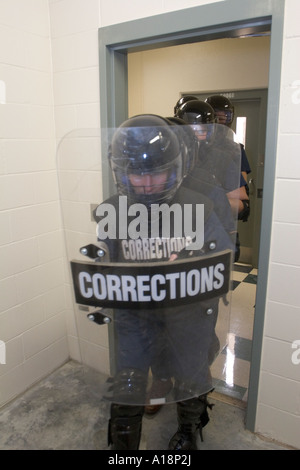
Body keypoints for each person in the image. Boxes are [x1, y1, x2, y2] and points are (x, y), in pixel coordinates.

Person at [93, 114, 235, 450]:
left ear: (173, 167)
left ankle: (188, 432)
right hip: (135, 316)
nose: (145, 184)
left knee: (190, 379)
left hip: (186, 314)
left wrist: (190, 264)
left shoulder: (198, 207)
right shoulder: (112, 210)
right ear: (120, 171)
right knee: (128, 384)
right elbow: (105, 265)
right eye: (135, 173)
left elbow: (224, 261)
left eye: (155, 172)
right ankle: (122, 449)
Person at [205, 95, 251, 258]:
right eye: (216, 115)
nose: (221, 119)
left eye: (225, 115)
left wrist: (210, 200)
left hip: (220, 225)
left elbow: (242, 201)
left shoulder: (233, 150)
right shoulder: (184, 150)